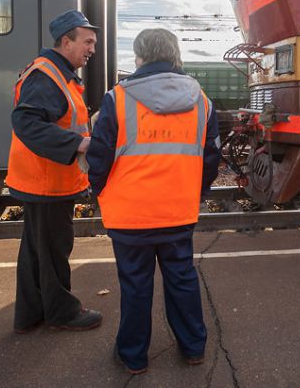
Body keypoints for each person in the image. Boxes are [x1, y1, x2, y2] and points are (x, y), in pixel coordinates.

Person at [87, 28, 220, 375]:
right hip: (178, 211)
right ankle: (193, 348)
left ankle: (133, 356)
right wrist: (194, 192)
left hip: (129, 215)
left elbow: (98, 158)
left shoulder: (117, 98)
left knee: (135, 285)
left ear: (140, 57)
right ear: (175, 55)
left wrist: (98, 191)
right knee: (182, 279)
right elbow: (210, 161)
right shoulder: (202, 100)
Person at [6, 9, 104, 334]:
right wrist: (79, 145)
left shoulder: (56, 73)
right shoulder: (47, 75)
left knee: (38, 251)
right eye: (87, 42)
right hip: (47, 182)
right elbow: (26, 122)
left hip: (43, 179)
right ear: (66, 41)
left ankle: (30, 314)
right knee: (53, 250)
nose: (92, 49)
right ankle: (62, 313)